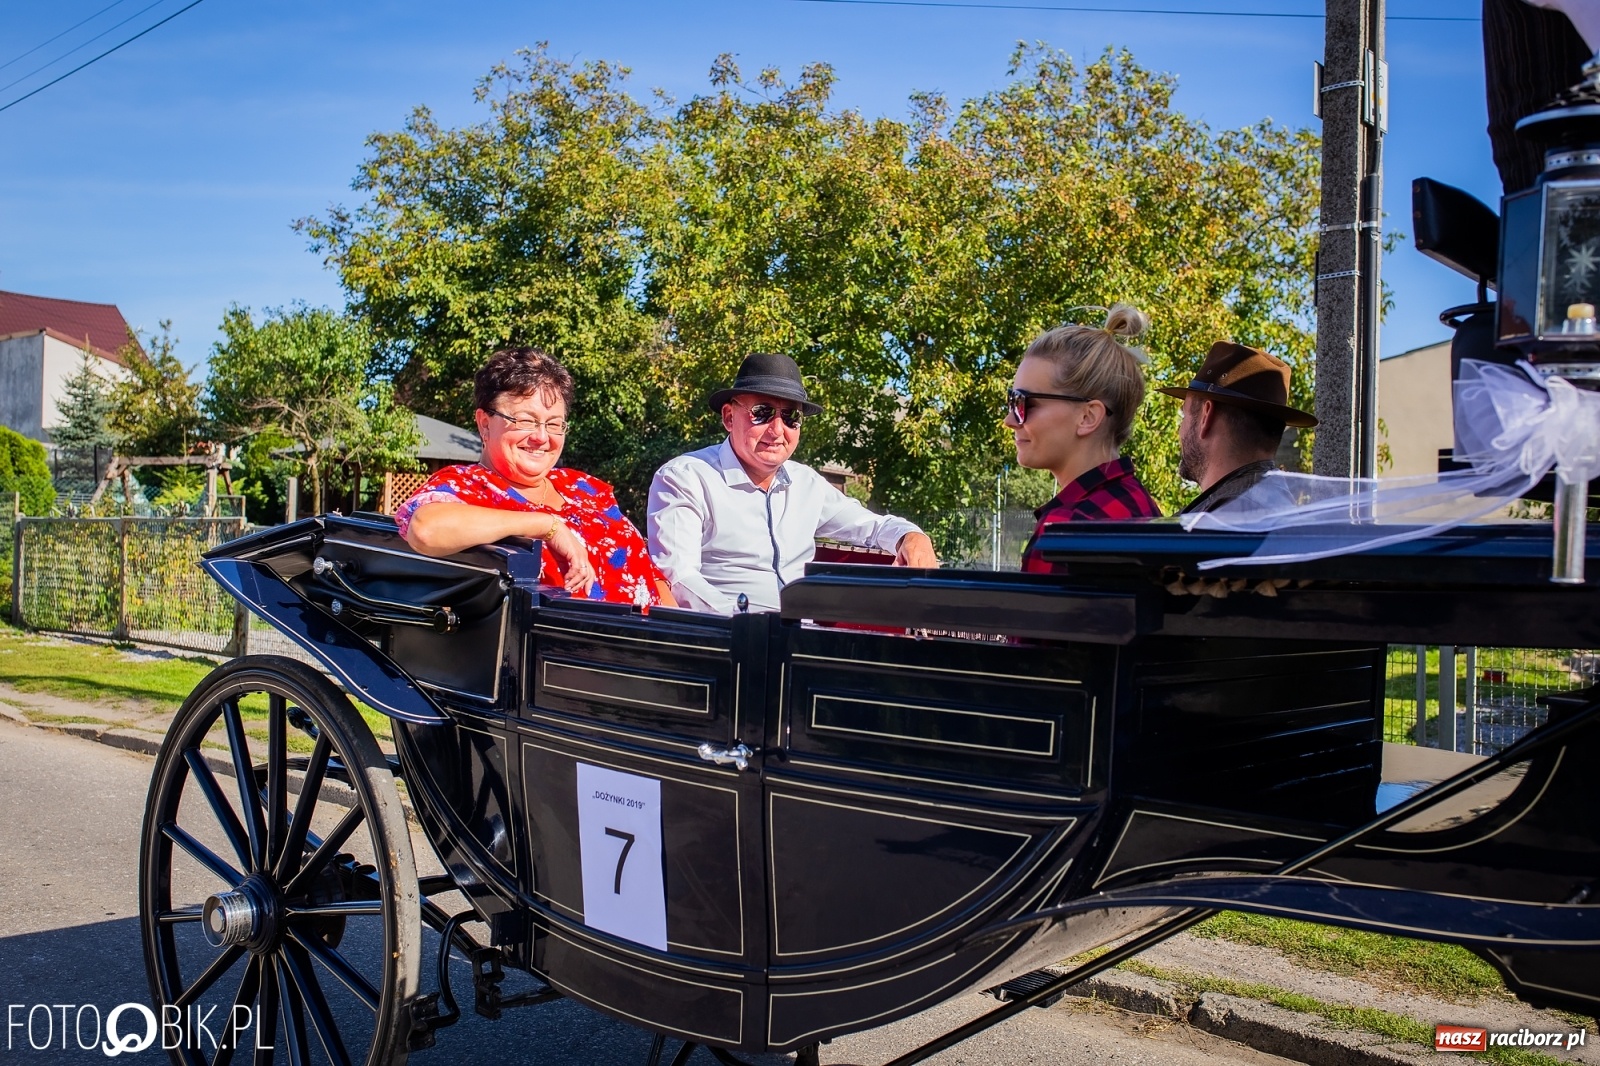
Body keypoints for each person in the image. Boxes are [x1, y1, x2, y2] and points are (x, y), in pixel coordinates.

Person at [648, 352, 939, 615]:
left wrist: (911, 536)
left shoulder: (807, 484)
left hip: (802, 640)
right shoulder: (685, 477)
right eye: (761, 412)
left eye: (791, 417)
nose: (777, 430)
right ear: (728, 416)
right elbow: (680, 578)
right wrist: (748, 625)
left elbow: (873, 526)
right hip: (726, 644)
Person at [397, 347, 673, 607]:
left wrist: (687, 636)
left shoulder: (583, 486)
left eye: (554, 424)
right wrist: (546, 525)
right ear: (484, 423)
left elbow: (649, 573)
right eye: (525, 421)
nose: (541, 437)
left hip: (649, 645)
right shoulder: (467, 486)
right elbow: (425, 529)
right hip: (567, 652)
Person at [1008, 305, 1162, 574]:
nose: (1010, 420)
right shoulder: (1143, 508)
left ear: (1088, 417)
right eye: (1011, 402)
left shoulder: (1064, 532)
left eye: (1023, 403)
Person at [1157, 342, 1317, 515]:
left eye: (1185, 415)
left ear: (1206, 415)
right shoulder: (1274, 505)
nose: (1180, 431)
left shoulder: (1221, 519)